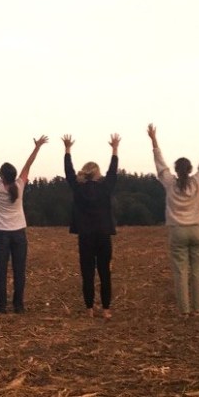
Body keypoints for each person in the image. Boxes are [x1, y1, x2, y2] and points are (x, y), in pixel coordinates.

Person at [0, 133, 47, 314]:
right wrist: (37, 147)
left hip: (1, 234)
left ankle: (0, 306)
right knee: (19, 271)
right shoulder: (19, 186)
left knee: (0, 272)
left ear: (1, 176)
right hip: (19, 234)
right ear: (14, 176)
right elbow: (28, 165)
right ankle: (18, 305)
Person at [149, 123, 199, 317]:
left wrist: (154, 140)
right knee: (198, 272)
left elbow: (160, 164)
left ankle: (184, 311)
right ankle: (198, 308)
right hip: (197, 230)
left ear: (176, 170)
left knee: (180, 272)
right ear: (190, 169)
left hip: (177, 230)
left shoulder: (170, 183)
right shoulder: (198, 181)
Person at [63, 133, 119, 319]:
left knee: (87, 273)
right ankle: (106, 309)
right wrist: (115, 149)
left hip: (85, 236)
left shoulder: (78, 189)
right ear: (97, 173)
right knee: (104, 273)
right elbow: (113, 172)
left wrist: (67, 150)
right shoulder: (105, 188)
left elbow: (69, 173)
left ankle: (89, 309)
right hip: (103, 235)